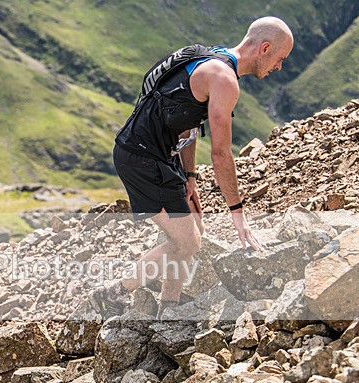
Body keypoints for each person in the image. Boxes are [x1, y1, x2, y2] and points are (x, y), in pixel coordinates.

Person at [96, 16, 293, 318]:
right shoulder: (224, 80)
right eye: (280, 59)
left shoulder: (206, 56)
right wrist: (237, 213)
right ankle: (114, 292)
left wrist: (189, 177)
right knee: (187, 243)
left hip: (153, 153)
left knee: (191, 231)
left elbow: (187, 126)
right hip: (143, 158)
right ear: (265, 48)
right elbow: (221, 154)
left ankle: (168, 309)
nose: (279, 67)